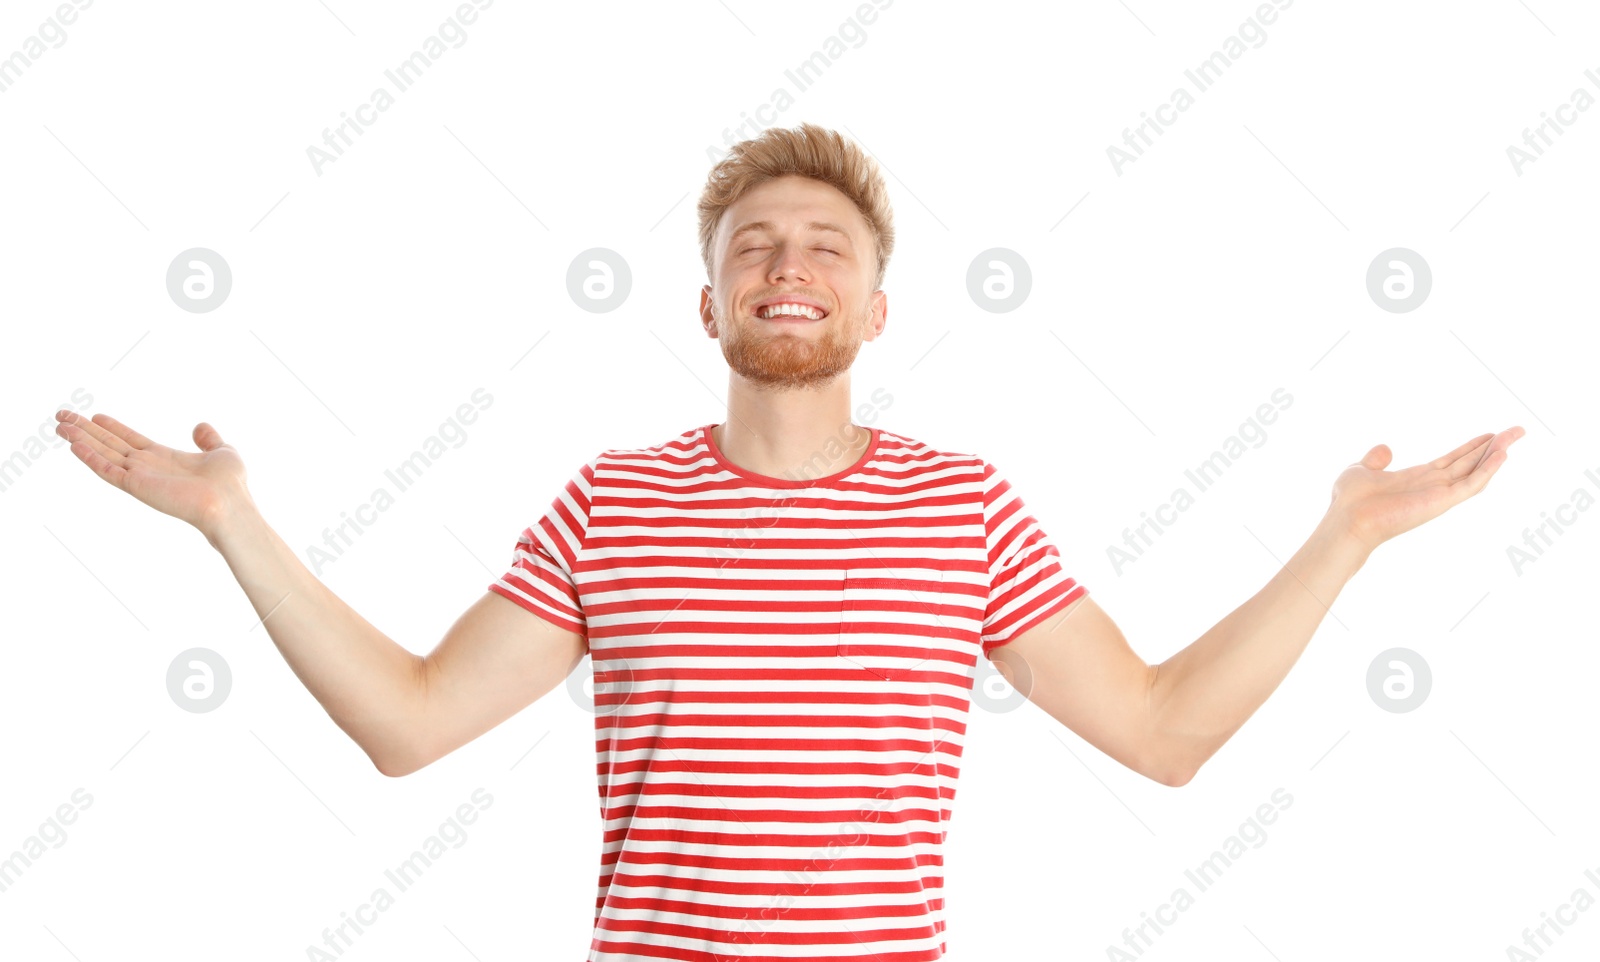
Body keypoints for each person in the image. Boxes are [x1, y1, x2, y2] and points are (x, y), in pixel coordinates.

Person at [55, 122, 1523, 961]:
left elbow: (1160, 730)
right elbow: (407, 722)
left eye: (828, 243)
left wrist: (1342, 538)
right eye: (752, 243)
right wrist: (232, 521)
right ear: (709, 304)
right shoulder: (607, 502)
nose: (788, 263)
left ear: (878, 308)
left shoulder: (968, 507)